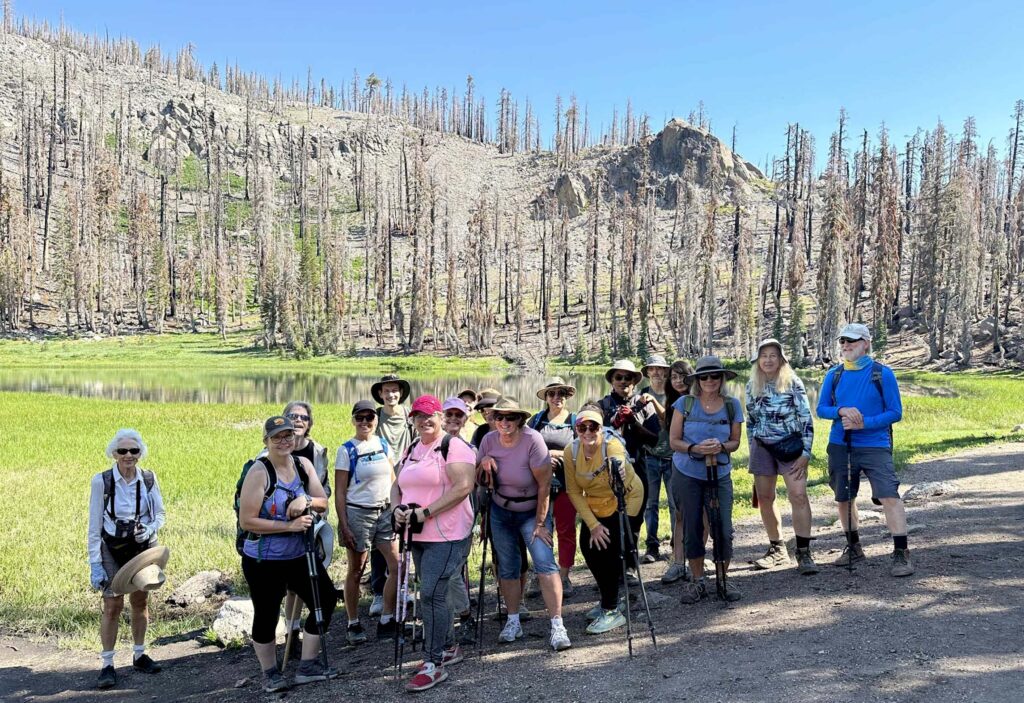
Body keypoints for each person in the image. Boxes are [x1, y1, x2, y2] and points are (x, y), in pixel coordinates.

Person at [238, 416, 337, 692]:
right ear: (266, 441)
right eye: (277, 437)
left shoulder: (303, 465)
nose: (284, 441)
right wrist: (288, 525)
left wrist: (304, 500)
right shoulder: (260, 472)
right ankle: (270, 673)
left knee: (326, 599)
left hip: (299, 554)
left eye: (288, 436)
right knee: (267, 615)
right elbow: (247, 521)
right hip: (263, 559)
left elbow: (322, 501)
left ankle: (307, 666)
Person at [391, 396, 476, 692]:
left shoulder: (453, 446)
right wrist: (397, 509)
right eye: (418, 416)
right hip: (417, 534)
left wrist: (425, 512)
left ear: (439, 417)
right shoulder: (413, 447)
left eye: (429, 416)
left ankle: (433, 663)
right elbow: (397, 484)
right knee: (432, 592)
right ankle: (449, 647)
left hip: (449, 534)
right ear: (412, 419)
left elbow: (464, 487)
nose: (423, 421)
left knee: (430, 594)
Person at [816, 323, 911, 577]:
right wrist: (841, 411)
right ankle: (854, 546)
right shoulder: (834, 375)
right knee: (844, 497)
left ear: (866, 343)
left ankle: (901, 552)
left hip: (875, 445)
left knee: (889, 495)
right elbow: (821, 408)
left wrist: (864, 423)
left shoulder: (882, 374)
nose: (846, 346)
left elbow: (895, 412)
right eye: (843, 342)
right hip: (840, 443)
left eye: (853, 341)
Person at [477, 397, 571, 651]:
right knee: (507, 566)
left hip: (532, 511)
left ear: (520, 419)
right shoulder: (487, 440)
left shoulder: (532, 440)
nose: (504, 422)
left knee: (544, 562)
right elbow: (478, 475)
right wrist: (483, 464)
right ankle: (513, 620)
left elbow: (544, 484)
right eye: (499, 417)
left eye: (510, 417)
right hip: (500, 511)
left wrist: (541, 523)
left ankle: (557, 624)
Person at [87, 429, 166, 689]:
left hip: (142, 547)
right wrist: (95, 563)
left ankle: (139, 654)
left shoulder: (149, 479)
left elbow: (160, 514)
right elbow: (94, 525)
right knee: (112, 606)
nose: (129, 455)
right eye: (123, 451)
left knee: (141, 601)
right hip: (112, 548)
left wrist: (151, 528)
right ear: (114, 454)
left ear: (140, 453)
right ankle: (107, 664)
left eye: (134, 450)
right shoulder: (102, 481)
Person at [669, 356, 744, 603]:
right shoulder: (684, 403)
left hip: (719, 472)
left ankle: (723, 579)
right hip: (688, 472)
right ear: (697, 380)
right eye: (704, 376)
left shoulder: (733, 405)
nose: (709, 380)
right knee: (692, 526)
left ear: (722, 378)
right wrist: (695, 449)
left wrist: (720, 446)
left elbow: (735, 442)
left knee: (722, 527)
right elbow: (674, 441)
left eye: (714, 376)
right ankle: (698, 580)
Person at [563, 409, 644, 634]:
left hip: (626, 498)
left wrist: (617, 467)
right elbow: (574, 491)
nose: (588, 432)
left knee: (611, 552)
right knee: (589, 547)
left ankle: (611, 609)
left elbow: (621, 462)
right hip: (596, 503)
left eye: (594, 427)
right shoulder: (571, 451)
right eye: (582, 427)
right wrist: (593, 524)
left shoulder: (612, 446)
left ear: (601, 428)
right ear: (575, 429)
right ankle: (609, 599)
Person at [745, 339, 818, 575]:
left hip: (790, 447)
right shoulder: (751, 385)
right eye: (763, 355)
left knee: (798, 495)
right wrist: (752, 449)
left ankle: (804, 552)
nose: (767, 360)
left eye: (773, 355)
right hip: (761, 447)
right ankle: (777, 548)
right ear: (758, 360)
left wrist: (806, 453)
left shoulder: (792, 382)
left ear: (781, 359)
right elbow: (751, 421)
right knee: (765, 497)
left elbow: (806, 419)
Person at [335, 400, 400, 645]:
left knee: (396, 565)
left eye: (369, 418)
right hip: (358, 513)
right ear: (353, 420)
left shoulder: (383, 444)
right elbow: (341, 492)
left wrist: (397, 510)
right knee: (356, 570)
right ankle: (353, 622)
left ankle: (387, 618)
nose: (365, 422)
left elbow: (393, 479)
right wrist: (344, 524)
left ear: (376, 420)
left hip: (384, 512)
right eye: (360, 418)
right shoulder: (346, 450)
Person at [279, 401, 331, 649]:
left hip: (312, 524)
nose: (298, 421)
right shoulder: (272, 451)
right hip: (281, 527)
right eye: (292, 416)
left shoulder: (317, 452)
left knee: (306, 583)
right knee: (291, 586)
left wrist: (312, 505)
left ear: (309, 423)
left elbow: (325, 489)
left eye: (303, 417)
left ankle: (298, 631)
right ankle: (291, 632)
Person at [528, 378, 579, 597]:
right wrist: (545, 456)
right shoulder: (536, 421)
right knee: (541, 530)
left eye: (561, 394)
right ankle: (543, 575)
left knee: (566, 530)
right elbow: (526, 447)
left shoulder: (575, 421)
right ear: (546, 397)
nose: (556, 397)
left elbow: (582, 448)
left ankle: (565, 576)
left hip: (568, 484)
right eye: (552, 394)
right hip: (540, 486)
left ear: (567, 397)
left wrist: (556, 454)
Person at [369, 374, 415, 616]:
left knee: (405, 535)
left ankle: (403, 585)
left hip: (406, 480)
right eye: (386, 391)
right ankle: (378, 591)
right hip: (379, 482)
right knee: (380, 539)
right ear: (380, 394)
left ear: (401, 392)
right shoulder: (375, 416)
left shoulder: (409, 416)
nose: (390, 395)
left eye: (394, 390)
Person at [440, 396, 478, 639]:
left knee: (453, 571)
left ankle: (463, 616)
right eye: (449, 414)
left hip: (460, 520)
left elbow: (471, 488)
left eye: (458, 415)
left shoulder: (469, 449)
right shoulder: (424, 445)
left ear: (465, 419)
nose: (453, 419)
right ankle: (443, 621)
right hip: (431, 519)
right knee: (435, 574)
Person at [637, 355, 674, 564]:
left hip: (672, 456)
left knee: (674, 503)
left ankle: (677, 545)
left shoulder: (673, 394)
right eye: (653, 369)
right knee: (650, 504)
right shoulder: (642, 394)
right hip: (649, 456)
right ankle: (652, 545)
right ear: (648, 373)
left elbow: (669, 420)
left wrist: (654, 404)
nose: (657, 373)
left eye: (661, 369)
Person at [661, 360, 695, 584]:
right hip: (679, 463)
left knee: (702, 515)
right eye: (673, 377)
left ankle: (696, 561)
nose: (677, 381)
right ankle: (678, 562)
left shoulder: (697, 400)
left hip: (701, 461)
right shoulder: (672, 403)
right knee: (680, 513)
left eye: (681, 376)